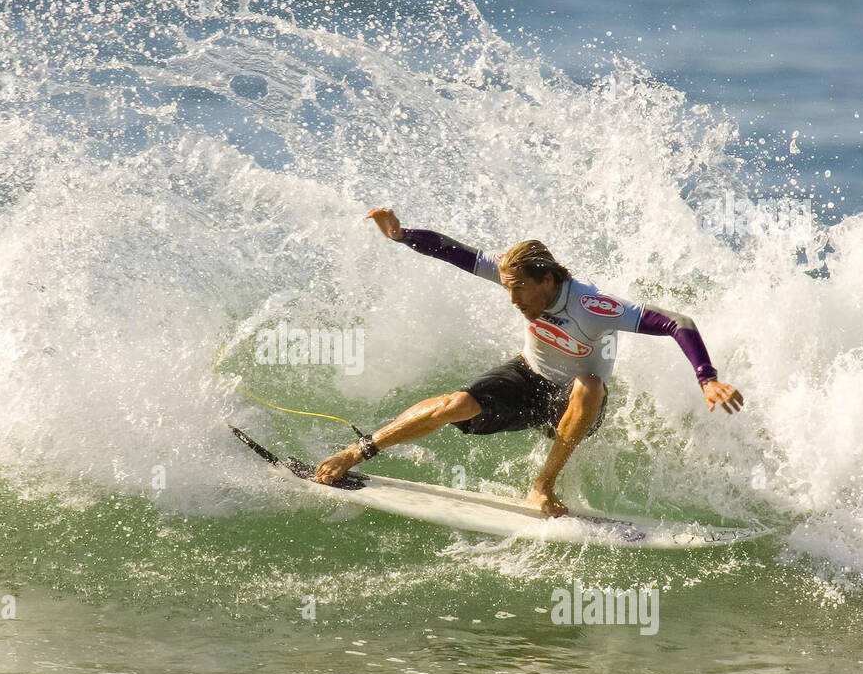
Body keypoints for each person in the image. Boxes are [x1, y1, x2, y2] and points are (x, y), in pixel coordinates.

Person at [313, 208, 744, 517]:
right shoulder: (512, 273)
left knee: (589, 384)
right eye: (506, 288)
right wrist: (402, 234)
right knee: (452, 405)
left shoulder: (592, 305)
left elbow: (677, 322)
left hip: (573, 402)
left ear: (548, 279)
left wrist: (707, 379)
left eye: (519, 289)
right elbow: (453, 252)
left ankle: (542, 486)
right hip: (527, 377)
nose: (513, 299)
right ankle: (357, 452)